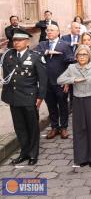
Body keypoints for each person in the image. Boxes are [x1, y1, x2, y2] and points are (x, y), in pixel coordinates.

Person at [1, 28, 47, 165]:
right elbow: (7, 78)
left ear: (27, 42)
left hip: (29, 97)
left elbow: (43, 80)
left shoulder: (35, 56)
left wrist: (40, 97)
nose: (16, 43)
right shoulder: (9, 56)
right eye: (15, 40)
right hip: (14, 98)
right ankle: (24, 152)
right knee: (19, 127)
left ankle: (33, 154)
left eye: (20, 40)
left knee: (32, 127)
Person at [57, 45, 91, 167]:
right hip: (77, 101)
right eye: (79, 54)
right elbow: (59, 80)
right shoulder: (72, 67)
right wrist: (73, 80)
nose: (82, 57)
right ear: (76, 56)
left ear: (89, 56)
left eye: (84, 54)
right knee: (79, 130)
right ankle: (81, 158)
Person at [35, 24, 74, 139]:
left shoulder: (65, 45)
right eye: (48, 30)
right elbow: (35, 55)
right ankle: (54, 127)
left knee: (62, 105)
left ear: (58, 32)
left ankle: (64, 128)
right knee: (51, 106)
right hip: (46, 82)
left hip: (60, 82)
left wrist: (67, 82)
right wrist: (47, 52)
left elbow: (70, 63)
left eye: (52, 30)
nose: (49, 32)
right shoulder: (42, 44)